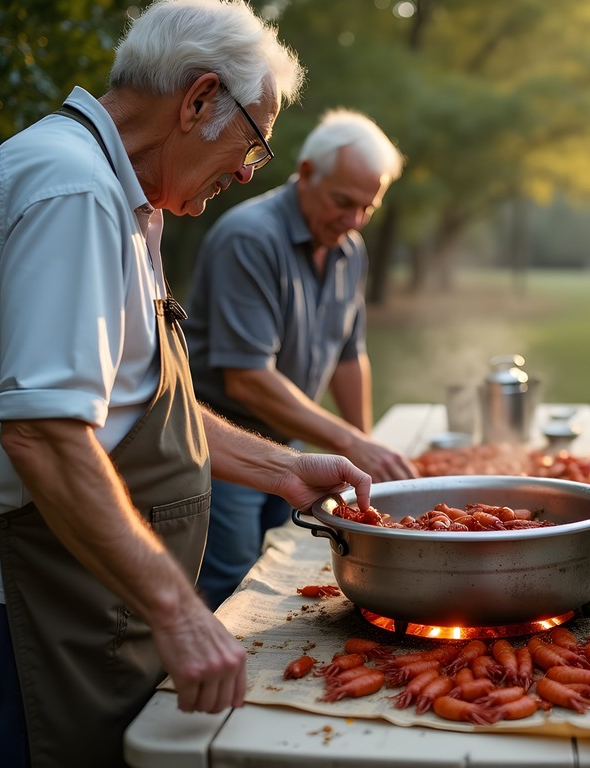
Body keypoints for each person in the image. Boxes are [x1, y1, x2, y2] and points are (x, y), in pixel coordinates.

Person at [0, 2, 372, 766]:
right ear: (199, 100)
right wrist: (180, 611)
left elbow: (133, 406)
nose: (251, 171)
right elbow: (46, 436)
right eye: (254, 141)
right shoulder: (71, 190)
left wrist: (283, 468)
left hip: (92, 594)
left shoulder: (124, 197)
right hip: (38, 604)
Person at [183, 108, 417, 610]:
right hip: (222, 448)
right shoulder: (249, 238)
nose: (354, 220)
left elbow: (349, 358)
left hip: (287, 446)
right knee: (233, 581)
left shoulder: (349, 251)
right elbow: (246, 379)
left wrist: (365, 452)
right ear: (307, 172)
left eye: (367, 208)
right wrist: (349, 440)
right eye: (342, 202)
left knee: (283, 572)